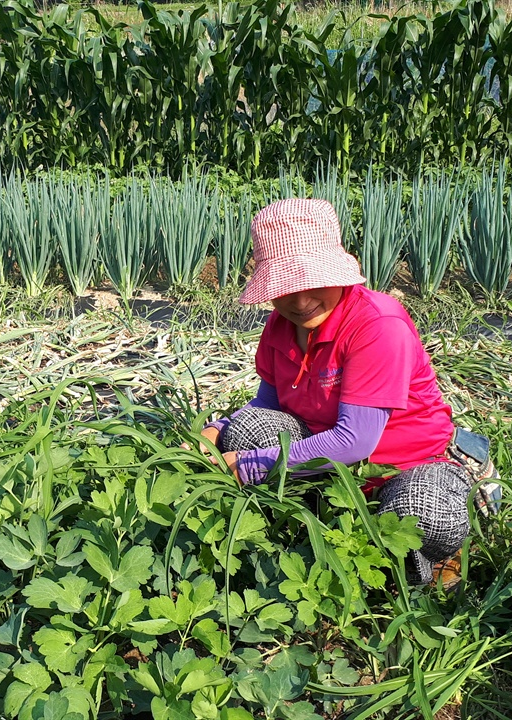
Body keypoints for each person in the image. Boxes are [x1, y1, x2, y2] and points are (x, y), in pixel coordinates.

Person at [194, 198, 472, 587]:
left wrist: (250, 465)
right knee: (249, 428)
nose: (301, 300)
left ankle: (429, 564)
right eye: (285, 288)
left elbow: (356, 441)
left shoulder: (377, 326)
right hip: (329, 465)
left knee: (422, 515)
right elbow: (267, 405)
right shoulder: (280, 327)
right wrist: (219, 429)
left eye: (312, 282)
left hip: (407, 466)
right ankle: (313, 530)